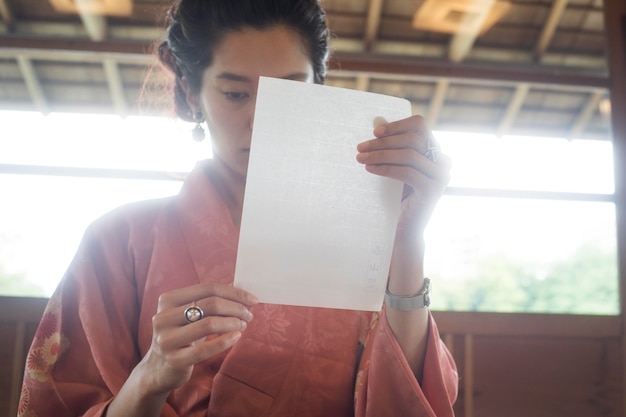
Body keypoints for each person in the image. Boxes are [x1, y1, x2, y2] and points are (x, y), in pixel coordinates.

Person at [18, 0, 457, 416]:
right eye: (235, 94)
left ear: (318, 93)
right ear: (192, 94)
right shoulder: (117, 241)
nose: (263, 119)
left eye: (288, 92)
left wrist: (407, 241)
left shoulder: (364, 243)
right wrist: (151, 376)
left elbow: (410, 400)